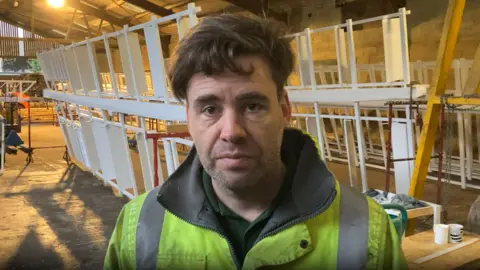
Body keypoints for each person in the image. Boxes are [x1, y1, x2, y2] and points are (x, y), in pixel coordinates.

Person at [104, 14, 407, 270]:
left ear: (285, 109)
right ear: (189, 118)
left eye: (252, 106)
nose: (232, 131)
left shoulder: (367, 230)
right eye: (210, 109)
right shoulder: (139, 227)